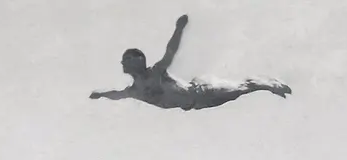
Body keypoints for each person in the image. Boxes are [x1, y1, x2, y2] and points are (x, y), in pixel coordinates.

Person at [90, 15, 291, 111]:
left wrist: (179, 28)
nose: (123, 65)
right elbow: (117, 95)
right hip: (197, 105)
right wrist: (100, 95)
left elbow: (170, 53)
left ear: (138, 61)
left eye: (127, 60)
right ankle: (265, 84)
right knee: (238, 95)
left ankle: (269, 84)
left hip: (202, 91)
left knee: (242, 88)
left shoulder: (156, 72)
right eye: (124, 61)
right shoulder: (135, 90)